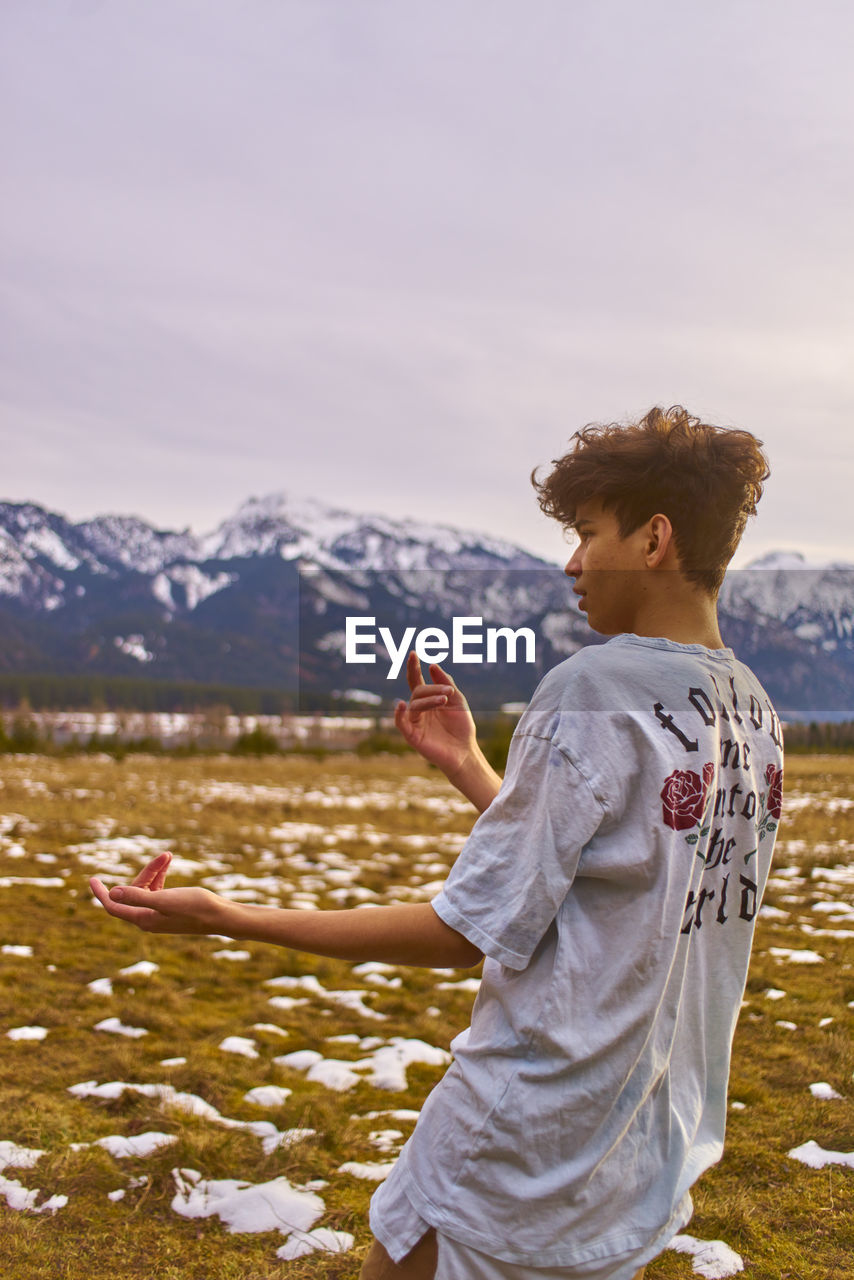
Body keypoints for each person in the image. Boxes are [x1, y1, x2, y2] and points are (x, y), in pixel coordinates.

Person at [91, 406, 784, 1280]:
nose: (571, 563)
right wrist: (472, 769)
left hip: (521, 1140)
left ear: (655, 539)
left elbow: (468, 932)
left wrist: (228, 917)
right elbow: (613, 873)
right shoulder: (753, 710)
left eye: (586, 533)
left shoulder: (593, 687)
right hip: (639, 1150)